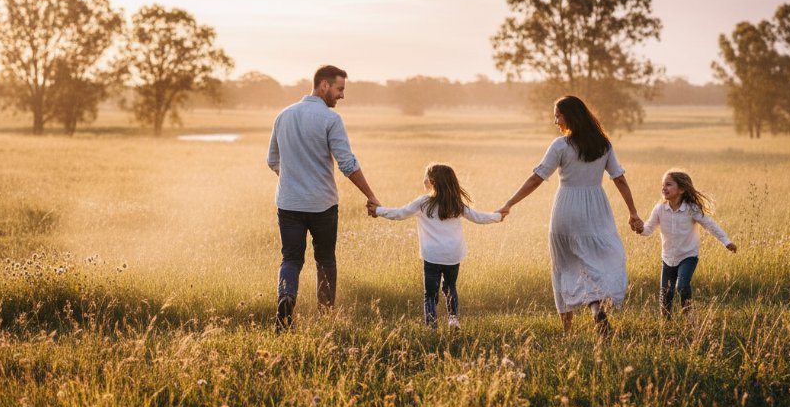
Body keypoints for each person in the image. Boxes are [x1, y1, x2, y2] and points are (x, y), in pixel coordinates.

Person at [498, 96, 643, 337]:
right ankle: (596, 308)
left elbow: (537, 177)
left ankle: (568, 331)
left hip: (566, 209)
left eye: (558, 115)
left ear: (571, 116)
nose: (555, 121)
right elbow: (619, 178)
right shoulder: (603, 144)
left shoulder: (561, 146)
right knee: (595, 260)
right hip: (596, 209)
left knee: (565, 266)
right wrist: (633, 212)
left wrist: (510, 202)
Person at [267, 65, 380, 332]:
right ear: (324, 86)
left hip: (289, 203)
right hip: (323, 205)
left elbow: (272, 159)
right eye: (340, 89)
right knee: (325, 259)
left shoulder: (283, 116)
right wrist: (371, 195)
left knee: (291, 259)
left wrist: (293, 179)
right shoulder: (330, 120)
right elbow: (347, 164)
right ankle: (326, 317)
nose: (342, 96)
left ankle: (285, 302)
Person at [373, 163, 503, 329]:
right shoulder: (456, 203)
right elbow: (479, 217)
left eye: (426, 176)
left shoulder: (423, 203)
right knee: (450, 287)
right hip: (453, 255)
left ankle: (431, 326)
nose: (424, 179)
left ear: (433, 182)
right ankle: (453, 319)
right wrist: (498, 216)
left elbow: (398, 214)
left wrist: (378, 211)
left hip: (432, 256)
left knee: (430, 294)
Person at [637, 169, 737, 320]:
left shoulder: (691, 209)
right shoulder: (660, 209)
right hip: (668, 258)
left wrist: (726, 241)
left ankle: (689, 317)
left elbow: (710, 225)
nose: (664, 188)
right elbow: (648, 229)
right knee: (665, 294)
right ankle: (666, 324)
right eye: (663, 185)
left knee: (682, 286)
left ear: (682, 189)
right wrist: (639, 228)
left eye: (669, 184)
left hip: (688, 256)